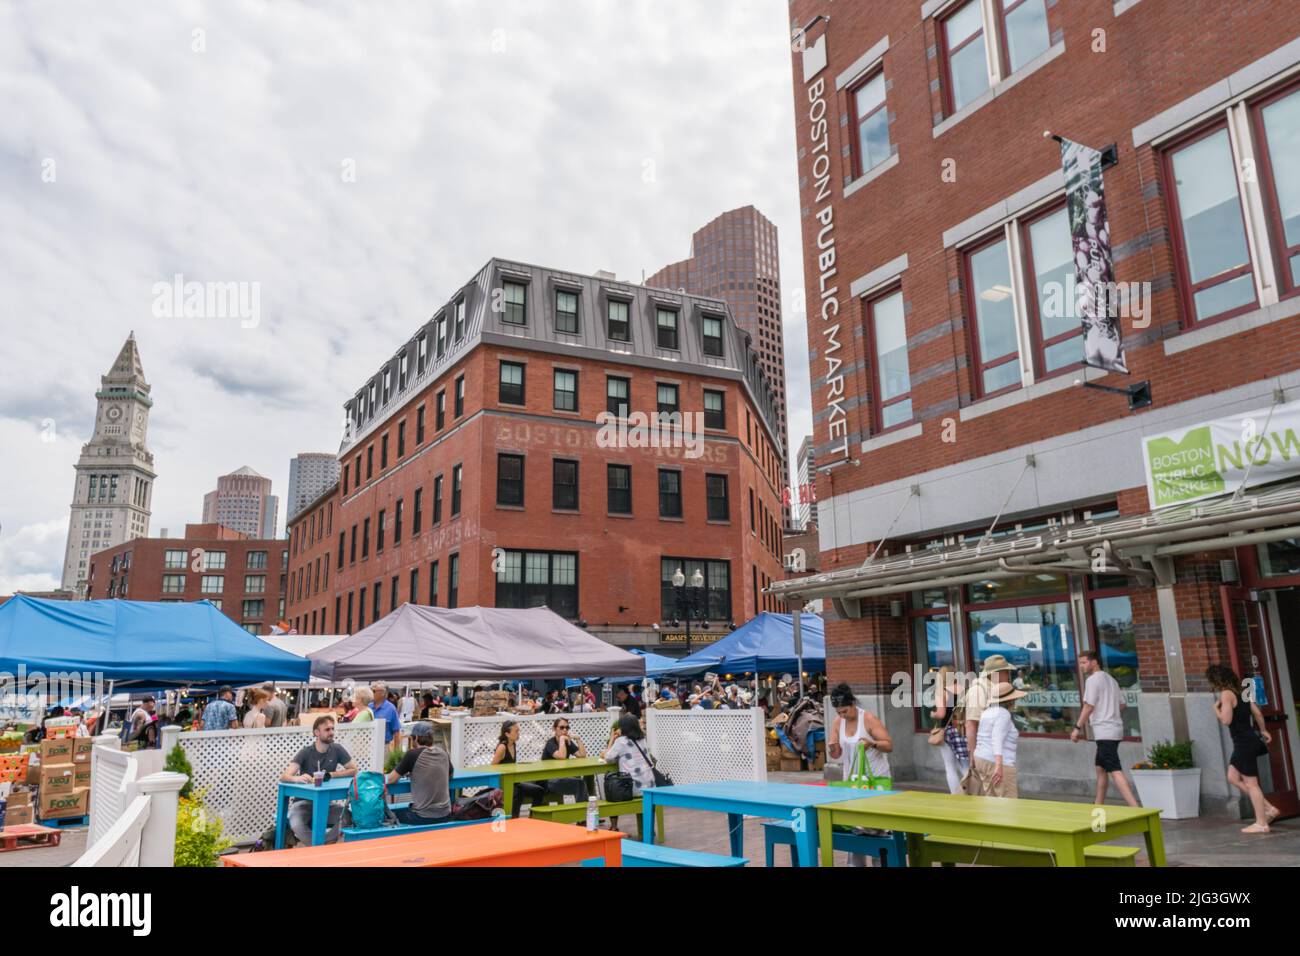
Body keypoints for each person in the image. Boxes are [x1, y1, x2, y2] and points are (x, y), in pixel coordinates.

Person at [826, 683, 893, 867]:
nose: (842, 715)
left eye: (845, 711)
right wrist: (832, 747)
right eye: (839, 712)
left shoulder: (868, 719)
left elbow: (888, 744)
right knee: (855, 825)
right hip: (853, 780)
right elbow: (837, 754)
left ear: (853, 703)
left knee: (877, 824)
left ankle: (881, 862)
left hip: (875, 778)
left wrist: (872, 743)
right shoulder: (838, 722)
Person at [1207, 665, 1279, 833]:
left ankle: (1261, 823)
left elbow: (1226, 720)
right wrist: (1263, 730)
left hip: (1243, 743)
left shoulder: (1226, 694)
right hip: (1249, 740)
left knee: (1251, 784)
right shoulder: (1243, 691)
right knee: (1232, 777)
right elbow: (1257, 714)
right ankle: (1269, 808)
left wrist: (1216, 710)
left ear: (1217, 680)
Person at [1071, 650, 1140, 808]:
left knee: (1114, 769)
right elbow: (1122, 704)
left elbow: (1088, 706)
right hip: (1114, 728)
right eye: (1080, 663)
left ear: (1094, 662)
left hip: (1105, 730)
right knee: (1100, 768)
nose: (1081, 666)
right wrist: (1109, 709)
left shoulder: (1093, 680)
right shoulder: (1111, 680)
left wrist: (1077, 728)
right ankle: (1098, 805)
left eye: (1084, 662)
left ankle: (1136, 808)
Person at [280, 716, 358, 845]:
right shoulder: (306, 752)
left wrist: (331, 775)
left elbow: (354, 770)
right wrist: (297, 778)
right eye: (327, 729)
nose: (332, 732)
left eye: (333, 729)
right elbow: (284, 777)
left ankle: (320, 845)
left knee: (348, 816)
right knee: (296, 824)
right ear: (317, 732)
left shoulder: (337, 749)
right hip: (302, 803)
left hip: (325, 803)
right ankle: (321, 845)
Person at [386, 720, 454, 825]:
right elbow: (450, 775)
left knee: (391, 814)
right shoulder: (443, 753)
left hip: (423, 817)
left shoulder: (412, 754)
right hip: (445, 814)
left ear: (416, 738)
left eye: (412, 738)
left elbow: (391, 779)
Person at [971, 681, 1027, 798]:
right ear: (1010, 701)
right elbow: (996, 739)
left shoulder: (986, 712)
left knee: (991, 800)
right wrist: (998, 764)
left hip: (981, 758)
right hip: (997, 762)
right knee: (1008, 801)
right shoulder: (1003, 714)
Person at [963, 654, 1017, 760]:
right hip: (986, 754)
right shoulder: (978, 690)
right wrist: (974, 756)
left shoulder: (994, 688)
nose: (1008, 675)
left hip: (995, 752)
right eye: (1006, 671)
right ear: (996, 673)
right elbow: (971, 724)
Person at [492, 719, 547, 817]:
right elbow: (493, 767)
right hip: (505, 784)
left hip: (515, 782)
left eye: (518, 731)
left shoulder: (513, 744)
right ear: (507, 734)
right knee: (518, 793)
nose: (518, 733)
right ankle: (513, 820)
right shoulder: (502, 747)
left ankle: (533, 818)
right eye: (516, 731)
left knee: (539, 790)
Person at [930, 667, 969, 795]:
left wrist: (933, 714)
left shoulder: (942, 691)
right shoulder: (965, 690)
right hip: (964, 729)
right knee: (965, 765)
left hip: (948, 732)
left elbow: (941, 714)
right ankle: (972, 791)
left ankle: (956, 795)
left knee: (950, 766)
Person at [540, 717, 590, 802]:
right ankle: (583, 811)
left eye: (567, 728)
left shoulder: (567, 742)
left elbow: (582, 755)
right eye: (562, 727)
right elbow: (561, 756)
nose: (565, 730)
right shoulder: (550, 743)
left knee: (581, 778)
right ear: (554, 729)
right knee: (580, 783)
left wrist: (578, 739)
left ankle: (583, 808)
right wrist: (562, 739)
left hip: (562, 776)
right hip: (549, 780)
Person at [371, 683, 402, 751]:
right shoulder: (368, 706)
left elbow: (396, 731)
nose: (371, 693)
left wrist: (396, 751)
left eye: (373, 691)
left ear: (383, 693)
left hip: (384, 746)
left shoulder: (391, 708)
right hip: (369, 745)